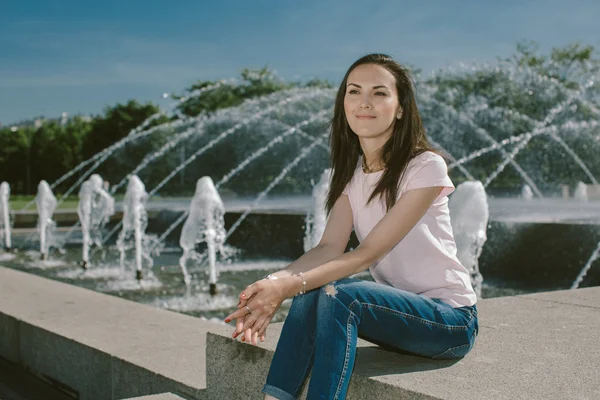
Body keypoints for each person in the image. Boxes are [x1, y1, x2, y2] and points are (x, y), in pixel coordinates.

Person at [224, 53, 479, 400]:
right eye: (354, 91)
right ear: (343, 102)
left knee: (340, 294)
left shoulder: (425, 166)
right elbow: (328, 249)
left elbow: (368, 253)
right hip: (395, 314)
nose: (364, 103)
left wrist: (286, 288)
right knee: (314, 287)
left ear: (401, 107)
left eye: (379, 93)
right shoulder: (352, 176)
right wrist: (272, 283)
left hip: (448, 322)